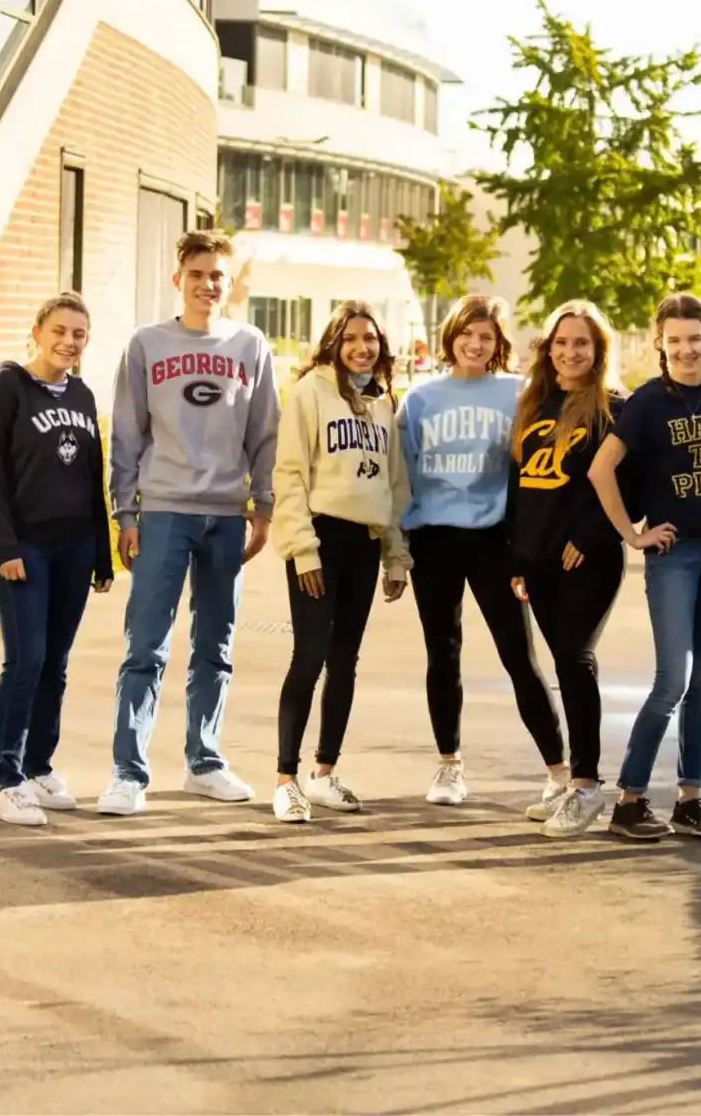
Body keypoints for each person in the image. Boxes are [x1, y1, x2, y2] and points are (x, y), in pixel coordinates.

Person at [100, 231, 279, 815]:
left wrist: (264, 506)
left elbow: (264, 434)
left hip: (227, 517)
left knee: (215, 646)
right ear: (178, 279)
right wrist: (125, 512)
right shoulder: (147, 344)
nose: (208, 285)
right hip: (163, 513)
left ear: (230, 284)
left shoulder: (251, 345)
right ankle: (128, 773)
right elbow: (126, 435)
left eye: (218, 276)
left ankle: (203, 761)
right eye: (197, 274)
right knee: (146, 646)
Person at [591, 294, 701, 841]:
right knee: (672, 680)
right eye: (675, 340)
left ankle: (689, 800)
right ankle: (631, 800)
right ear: (661, 345)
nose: (686, 349)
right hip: (675, 555)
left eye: (695, 338)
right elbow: (601, 470)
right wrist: (632, 534)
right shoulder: (646, 404)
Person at [399, 295, 567, 808]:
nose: (475, 344)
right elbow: (402, 474)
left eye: (487, 337)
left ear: (498, 345)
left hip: (496, 540)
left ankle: (561, 772)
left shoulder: (517, 393)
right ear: (451, 335)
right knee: (441, 654)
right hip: (434, 539)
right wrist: (396, 549)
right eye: (468, 334)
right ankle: (449, 766)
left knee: (519, 655)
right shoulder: (420, 398)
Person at [0, 293, 114, 826]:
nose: (67, 341)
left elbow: (90, 480)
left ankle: (38, 765)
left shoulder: (82, 395)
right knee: (24, 660)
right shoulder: (7, 387)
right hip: (24, 546)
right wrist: (5, 548)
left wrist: (101, 554)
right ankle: (5, 782)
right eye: (58, 330)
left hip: (74, 547)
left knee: (55, 663)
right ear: (36, 331)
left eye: (78, 334)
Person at [270, 302, 411, 822]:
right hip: (319, 540)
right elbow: (289, 475)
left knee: (345, 662)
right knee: (308, 656)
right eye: (350, 338)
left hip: (363, 544)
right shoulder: (310, 392)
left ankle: (324, 774)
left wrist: (396, 556)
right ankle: (286, 779)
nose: (361, 347)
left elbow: (395, 485)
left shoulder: (383, 403)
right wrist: (301, 549)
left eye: (370, 338)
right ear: (334, 342)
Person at [509, 301, 635, 837]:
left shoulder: (616, 407)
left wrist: (589, 534)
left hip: (590, 556)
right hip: (536, 558)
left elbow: (630, 483)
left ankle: (586, 786)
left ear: (598, 349)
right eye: (561, 343)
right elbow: (519, 486)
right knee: (562, 662)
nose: (570, 352)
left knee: (576, 660)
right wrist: (517, 557)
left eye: (581, 343)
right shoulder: (535, 402)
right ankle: (572, 787)